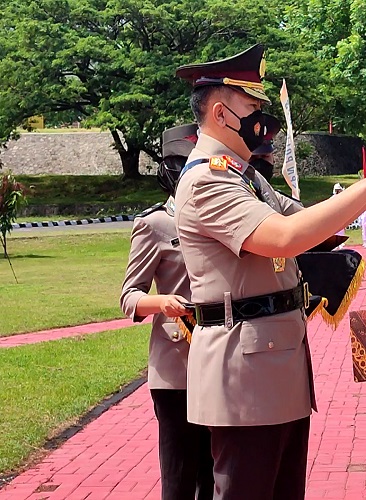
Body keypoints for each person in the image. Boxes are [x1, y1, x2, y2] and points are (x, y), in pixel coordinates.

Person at [172, 44, 366, 500]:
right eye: (252, 106)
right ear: (222, 112)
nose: (259, 119)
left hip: (273, 363)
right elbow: (284, 237)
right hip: (243, 374)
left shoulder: (244, 174)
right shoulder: (207, 178)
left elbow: (308, 223)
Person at [120, 123, 214, 500]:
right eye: (183, 163)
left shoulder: (219, 216)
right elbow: (129, 296)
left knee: (215, 474)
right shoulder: (155, 223)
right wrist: (162, 303)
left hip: (218, 363)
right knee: (179, 474)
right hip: (176, 369)